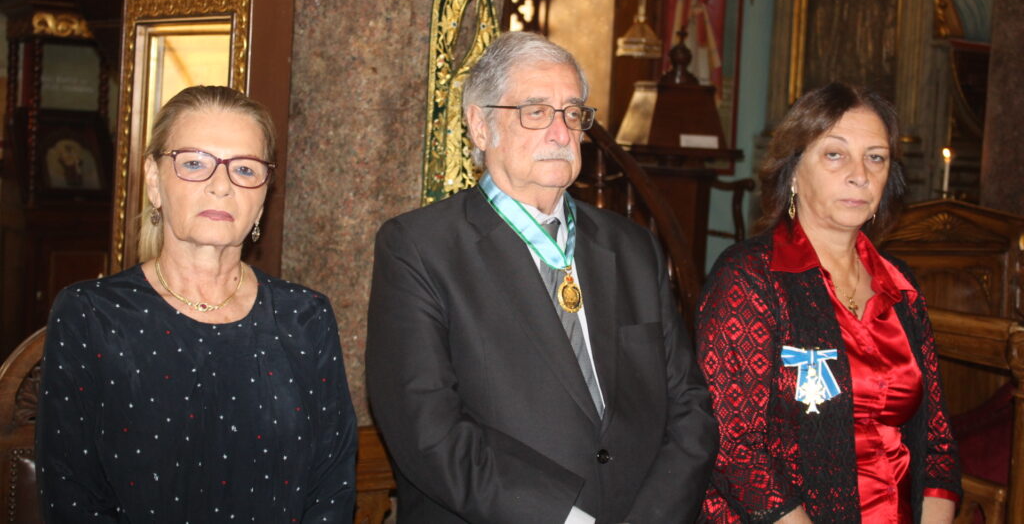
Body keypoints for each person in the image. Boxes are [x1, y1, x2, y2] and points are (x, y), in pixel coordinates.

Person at [366, 31, 717, 523]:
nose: (560, 133)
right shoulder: (421, 248)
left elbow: (689, 407)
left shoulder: (632, 247)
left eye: (572, 113)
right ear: (480, 126)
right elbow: (427, 429)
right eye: (535, 112)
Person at [36, 86, 356, 523]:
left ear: (263, 194)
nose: (221, 186)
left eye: (244, 169)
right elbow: (71, 497)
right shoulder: (90, 315)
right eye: (194, 163)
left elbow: (333, 486)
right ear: (154, 180)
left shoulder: (305, 316)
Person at [697, 83, 961, 522]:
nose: (860, 174)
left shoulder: (901, 286)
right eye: (835, 154)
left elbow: (937, 442)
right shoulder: (749, 278)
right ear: (793, 172)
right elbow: (735, 446)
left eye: (875, 157)